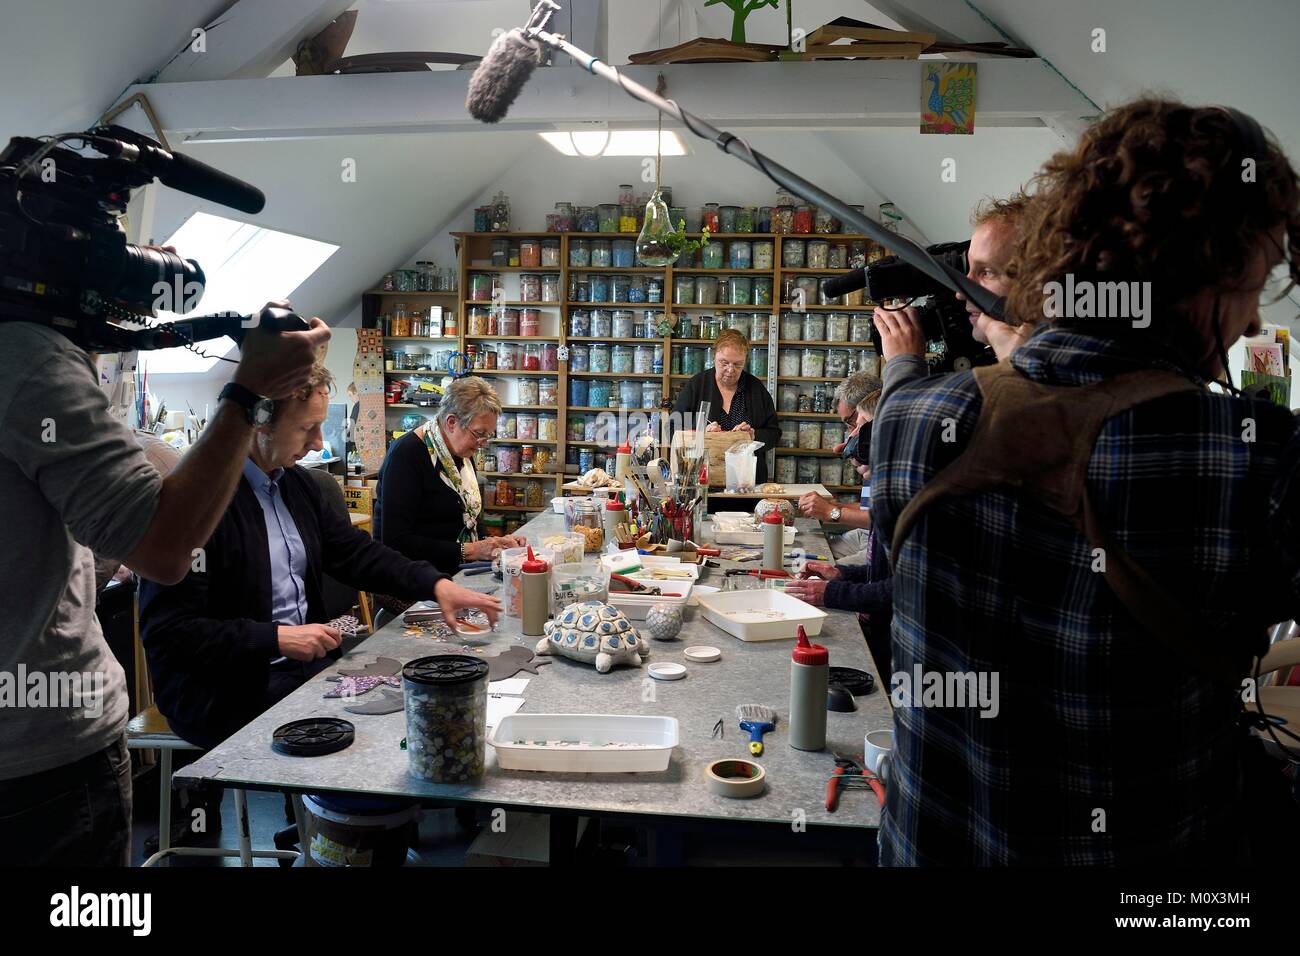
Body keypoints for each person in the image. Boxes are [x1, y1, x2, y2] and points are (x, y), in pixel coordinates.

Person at [870, 99, 1300, 865]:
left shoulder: (912, 418)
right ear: (1216, 275)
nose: (1251, 327)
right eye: (1256, 283)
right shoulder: (1255, 463)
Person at [0, 291, 328, 867]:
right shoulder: (27, 358)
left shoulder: (294, 487)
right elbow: (164, 551)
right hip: (43, 756)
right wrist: (249, 391)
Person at [139, 363, 500, 751]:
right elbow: (169, 631)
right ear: (258, 422)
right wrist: (274, 638)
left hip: (300, 671)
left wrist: (435, 584)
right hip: (225, 690)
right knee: (378, 748)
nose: (316, 443)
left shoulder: (295, 485)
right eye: (305, 428)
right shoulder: (197, 505)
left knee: (416, 716)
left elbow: (356, 553)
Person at [787, 389, 894, 674]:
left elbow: (903, 591)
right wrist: (840, 574)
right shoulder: (890, 485)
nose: (848, 444)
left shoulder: (908, 496)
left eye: (859, 428)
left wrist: (833, 593)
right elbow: (883, 574)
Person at [374, 377, 526, 576]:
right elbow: (397, 542)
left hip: (454, 568)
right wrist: (472, 550)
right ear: (452, 422)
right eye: (479, 433)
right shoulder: (405, 456)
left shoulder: (459, 452)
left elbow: (468, 516)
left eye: (487, 435)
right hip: (412, 575)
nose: (483, 443)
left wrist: (497, 544)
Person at [671, 329, 780, 484]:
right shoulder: (697, 385)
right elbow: (673, 429)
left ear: (745, 361)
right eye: (724, 362)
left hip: (746, 483)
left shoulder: (756, 388)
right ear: (714, 356)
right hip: (703, 482)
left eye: (737, 364)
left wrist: (753, 435)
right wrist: (701, 433)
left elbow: (774, 434)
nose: (730, 370)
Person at [797, 371, 882, 562]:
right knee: (808, 556)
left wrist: (831, 512)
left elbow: (884, 518)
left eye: (852, 423)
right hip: (866, 535)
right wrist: (831, 506)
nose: (850, 435)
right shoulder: (872, 452)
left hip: (881, 543)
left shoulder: (889, 454)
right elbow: (868, 507)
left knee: (819, 572)